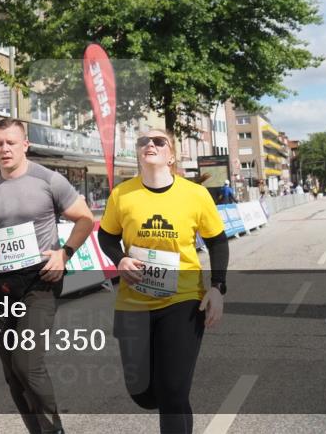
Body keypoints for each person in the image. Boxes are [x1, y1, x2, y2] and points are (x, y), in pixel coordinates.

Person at [0, 118, 94, 434]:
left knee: (27, 363)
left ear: (25, 145)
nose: (5, 149)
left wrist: (65, 254)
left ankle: (54, 430)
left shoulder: (49, 180)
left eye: (11, 142)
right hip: (3, 283)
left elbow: (85, 219)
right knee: (11, 371)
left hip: (40, 280)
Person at [97, 129, 228, 434]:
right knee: (143, 393)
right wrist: (120, 260)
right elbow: (106, 235)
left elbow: (217, 242)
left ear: (171, 155)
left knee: (172, 391)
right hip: (133, 303)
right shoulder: (122, 194)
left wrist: (218, 287)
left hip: (182, 300)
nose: (150, 145)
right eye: (143, 141)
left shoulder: (195, 195)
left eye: (159, 141)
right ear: (138, 153)